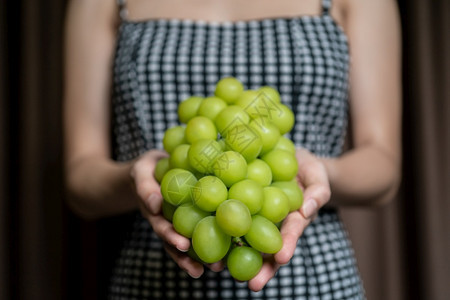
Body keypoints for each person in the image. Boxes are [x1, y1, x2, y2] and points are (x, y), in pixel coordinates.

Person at [64, 0, 401, 298]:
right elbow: (80, 179)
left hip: (314, 283)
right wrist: (136, 179)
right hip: (151, 275)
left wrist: (324, 173)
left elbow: (383, 166)